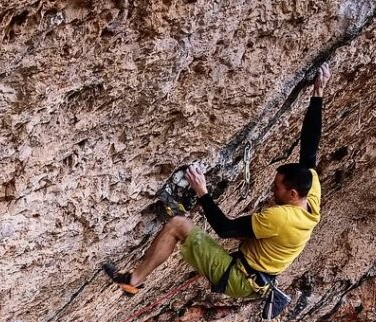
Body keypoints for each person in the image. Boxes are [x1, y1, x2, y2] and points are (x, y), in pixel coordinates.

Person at [104, 63, 332, 308]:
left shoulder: (282, 218)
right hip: (255, 275)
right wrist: (318, 93)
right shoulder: (311, 193)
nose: (272, 190)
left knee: (177, 225)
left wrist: (202, 191)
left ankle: (133, 281)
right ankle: (135, 279)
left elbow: (225, 229)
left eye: (277, 188)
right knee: (189, 229)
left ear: (293, 193)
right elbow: (310, 148)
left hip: (240, 279)